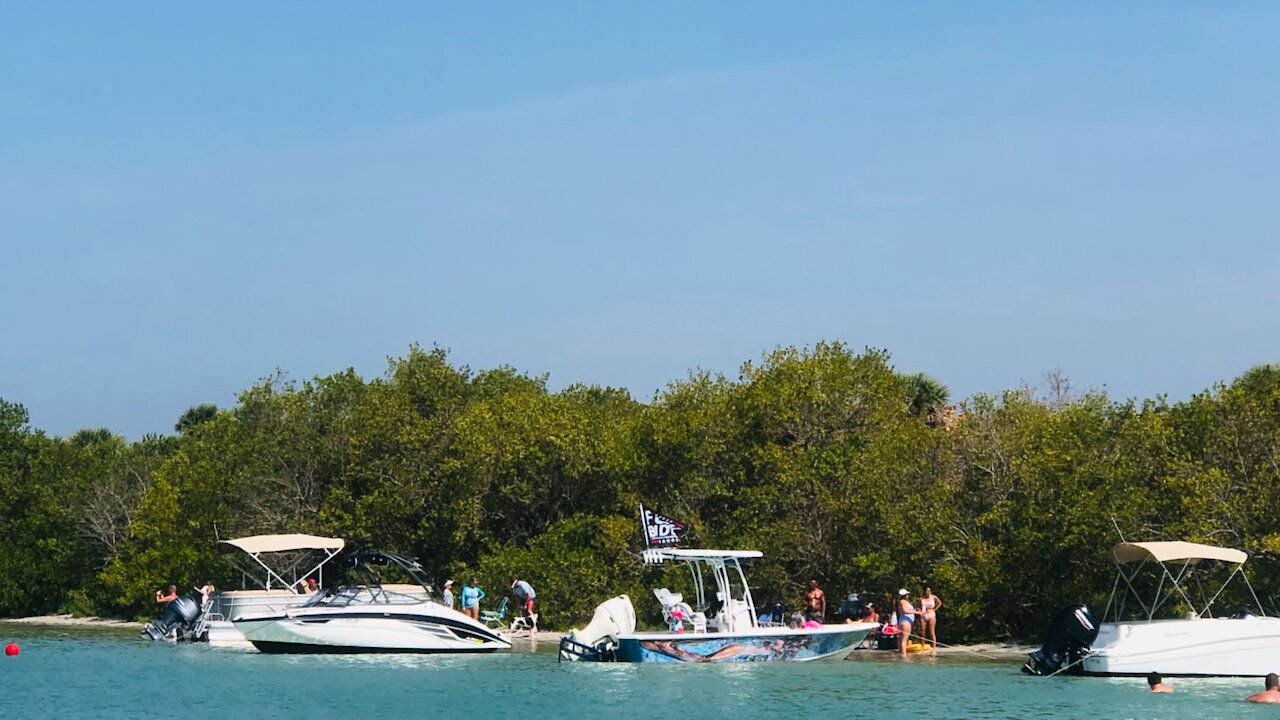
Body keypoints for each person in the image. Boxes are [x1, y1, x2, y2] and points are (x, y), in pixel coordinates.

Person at [897, 588, 918, 655]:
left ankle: (901, 653)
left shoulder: (902, 601)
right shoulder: (903, 601)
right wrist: (917, 612)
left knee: (902, 639)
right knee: (904, 639)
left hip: (903, 621)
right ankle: (904, 654)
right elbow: (905, 611)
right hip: (905, 622)